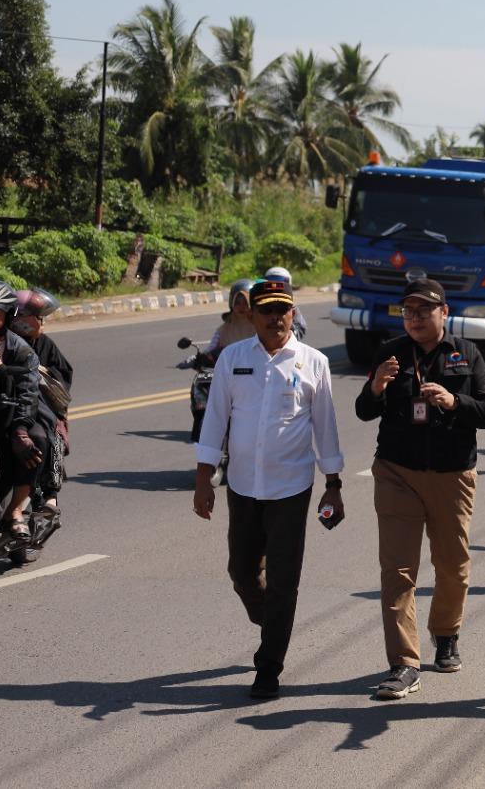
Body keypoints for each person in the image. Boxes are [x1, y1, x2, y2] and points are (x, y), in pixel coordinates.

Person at [193, 280, 343, 699]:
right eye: (267, 310)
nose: (276, 318)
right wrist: (203, 479)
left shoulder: (313, 362)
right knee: (241, 573)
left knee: (283, 581)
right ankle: (273, 621)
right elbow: (215, 419)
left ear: (293, 314)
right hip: (242, 485)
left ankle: (269, 667)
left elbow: (325, 428)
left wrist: (333, 485)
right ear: (251, 314)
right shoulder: (233, 358)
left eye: (283, 310)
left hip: (291, 488)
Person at [356, 278, 485, 700]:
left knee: (453, 566)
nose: (415, 318)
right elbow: (363, 410)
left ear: (444, 312)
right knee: (397, 571)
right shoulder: (390, 353)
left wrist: (455, 402)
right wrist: (376, 386)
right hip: (396, 473)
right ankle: (404, 663)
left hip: (452, 475)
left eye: (424, 310)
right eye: (408, 311)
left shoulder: (467, 353)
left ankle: (446, 633)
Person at [10, 289, 71, 549]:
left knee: (47, 435)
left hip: (38, 408)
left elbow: (63, 376)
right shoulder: (6, 341)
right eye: (38, 317)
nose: (42, 323)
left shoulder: (44, 345)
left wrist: (43, 374)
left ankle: (50, 498)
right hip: (6, 406)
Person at [0, 282, 45, 549]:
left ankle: (15, 510)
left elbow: (28, 391)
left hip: (9, 416)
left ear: (7, 316)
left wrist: (20, 431)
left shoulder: (21, 350)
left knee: (37, 439)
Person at [199, 280, 258, 362]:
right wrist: (198, 357)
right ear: (232, 303)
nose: (241, 307)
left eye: (245, 303)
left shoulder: (261, 327)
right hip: (230, 367)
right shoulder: (223, 329)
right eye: (237, 303)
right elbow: (211, 348)